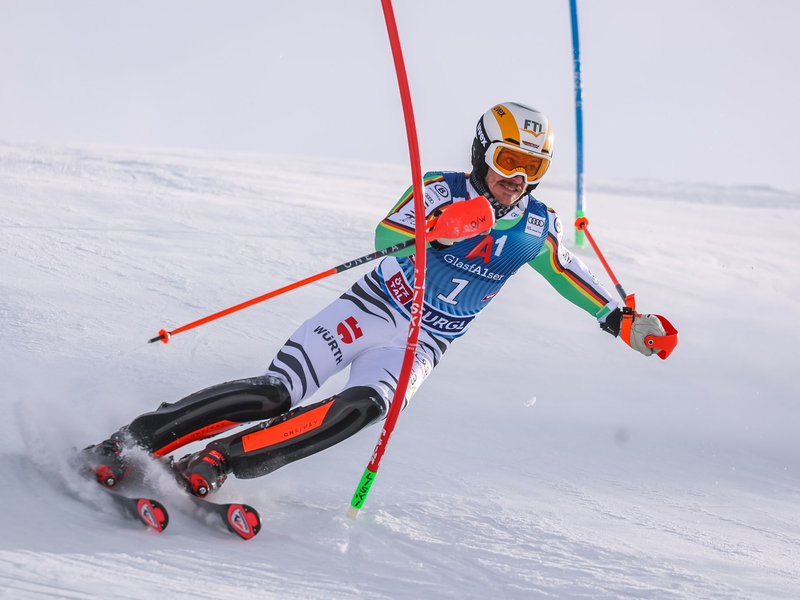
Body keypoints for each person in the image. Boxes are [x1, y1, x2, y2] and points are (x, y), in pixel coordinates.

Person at [81, 102, 671, 497]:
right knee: (276, 392)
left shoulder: (537, 227)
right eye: (507, 161)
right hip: (369, 311)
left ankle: (218, 460)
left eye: (530, 167)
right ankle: (129, 441)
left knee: (361, 410)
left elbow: (569, 274)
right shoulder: (440, 188)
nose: (515, 178)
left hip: (422, 343)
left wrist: (623, 321)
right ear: (483, 154)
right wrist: (443, 223)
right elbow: (385, 237)